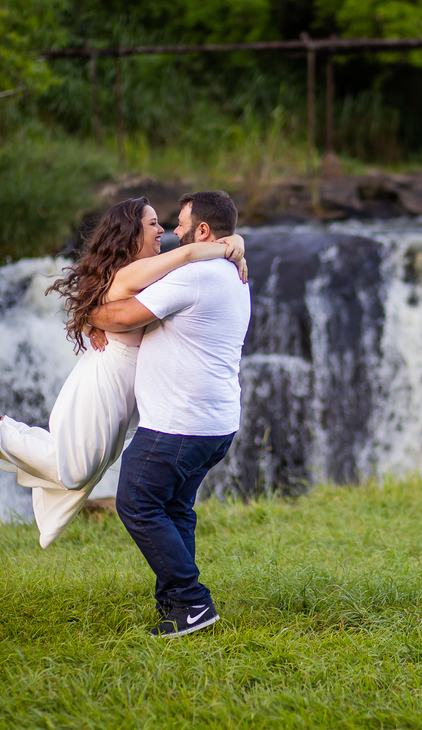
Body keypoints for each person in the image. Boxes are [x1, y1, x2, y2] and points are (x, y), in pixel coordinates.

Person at [0, 197, 247, 549]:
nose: (165, 229)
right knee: (75, 472)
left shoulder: (153, 273)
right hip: (105, 380)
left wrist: (235, 243)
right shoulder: (135, 272)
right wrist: (233, 246)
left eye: (167, 223)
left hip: (121, 390)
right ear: (132, 235)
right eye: (153, 224)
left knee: (81, 467)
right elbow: (186, 255)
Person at [86, 190, 251, 639]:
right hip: (214, 424)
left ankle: (193, 602)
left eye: (180, 224)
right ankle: (176, 608)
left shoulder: (196, 275)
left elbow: (123, 315)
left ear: (202, 230)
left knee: (136, 502)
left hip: (179, 425)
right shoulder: (229, 272)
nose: (173, 233)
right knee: (175, 509)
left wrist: (86, 313)